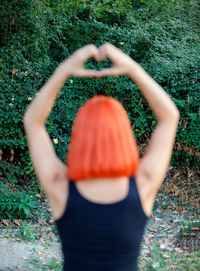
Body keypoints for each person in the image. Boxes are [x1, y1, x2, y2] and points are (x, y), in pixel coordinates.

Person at [23, 43, 180, 271]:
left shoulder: (61, 186)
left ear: (79, 137)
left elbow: (33, 123)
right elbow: (170, 116)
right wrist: (131, 67)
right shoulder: (143, 184)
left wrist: (65, 68)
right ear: (123, 137)